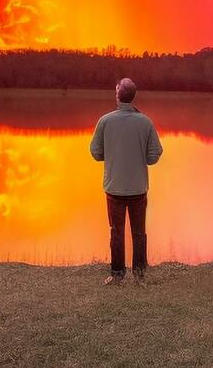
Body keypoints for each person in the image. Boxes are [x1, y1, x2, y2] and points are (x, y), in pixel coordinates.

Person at [89, 77, 163, 284]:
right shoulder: (145, 122)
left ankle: (117, 274)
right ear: (133, 97)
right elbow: (154, 156)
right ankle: (139, 275)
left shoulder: (105, 121)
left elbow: (95, 152)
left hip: (114, 188)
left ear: (117, 95)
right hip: (138, 188)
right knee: (139, 233)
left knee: (116, 232)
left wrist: (112, 154)